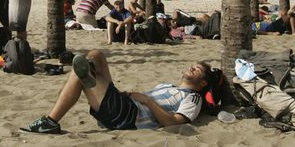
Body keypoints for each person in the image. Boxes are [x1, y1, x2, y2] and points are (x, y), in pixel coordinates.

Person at [21, 50, 210, 133]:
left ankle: (50, 122)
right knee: (96, 55)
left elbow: (173, 122)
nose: (192, 68)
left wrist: (146, 100)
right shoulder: (167, 86)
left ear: (202, 83)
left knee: (78, 75)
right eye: (192, 65)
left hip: (129, 116)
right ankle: (89, 71)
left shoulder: (193, 98)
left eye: (197, 70)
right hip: (125, 106)